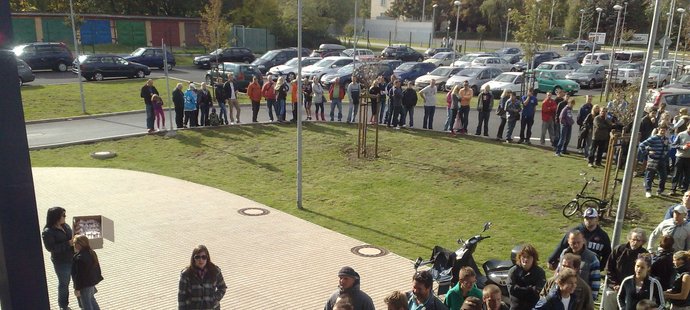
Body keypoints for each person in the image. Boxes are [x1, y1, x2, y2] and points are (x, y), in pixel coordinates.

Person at [547, 207, 612, 271]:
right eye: (586, 218)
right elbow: (562, 246)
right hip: (572, 266)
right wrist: (551, 259)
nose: (588, 220)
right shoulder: (575, 232)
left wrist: (600, 267)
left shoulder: (603, 236)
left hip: (590, 267)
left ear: (597, 219)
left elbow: (607, 254)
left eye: (591, 218)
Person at [602, 228, 649, 310]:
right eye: (633, 239)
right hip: (614, 287)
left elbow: (644, 274)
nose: (635, 242)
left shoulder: (644, 254)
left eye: (638, 240)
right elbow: (609, 268)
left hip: (631, 290)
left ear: (643, 242)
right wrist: (615, 284)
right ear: (629, 239)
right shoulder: (619, 249)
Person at [554, 229, 601, 301]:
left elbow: (595, 283)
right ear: (568, 241)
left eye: (578, 242)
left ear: (583, 241)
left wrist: (590, 300)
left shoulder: (592, 259)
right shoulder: (564, 253)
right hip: (561, 296)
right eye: (573, 242)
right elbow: (558, 273)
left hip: (580, 299)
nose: (576, 245)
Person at [42, 207, 74, 310]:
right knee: (64, 284)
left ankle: (83, 302)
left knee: (80, 280)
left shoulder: (66, 226)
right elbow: (51, 248)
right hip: (62, 262)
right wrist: (68, 243)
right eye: (63, 215)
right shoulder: (48, 232)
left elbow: (72, 236)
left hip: (74, 258)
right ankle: (63, 306)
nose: (65, 217)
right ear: (56, 217)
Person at [178, 245, 227, 309]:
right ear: (193, 259)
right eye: (197, 257)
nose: (201, 260)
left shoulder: (215, 271)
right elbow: (181, 296)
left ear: (207, 258)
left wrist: (214, 298)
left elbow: (222, 287)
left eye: (204, 257)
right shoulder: (186, 274)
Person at [507, 244, 546, 310]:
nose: (525, 259)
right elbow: (512, 289)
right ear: (519, 257)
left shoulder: (540, 272)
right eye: (523, 256)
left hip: (533, 307)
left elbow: (539, 290)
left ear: (534, 259)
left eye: (528, 257)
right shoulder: (513, 271)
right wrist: (531, 289)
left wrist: (520, 289)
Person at [71, 235, 103, 310]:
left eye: (74, 243)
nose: (74, 245)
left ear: (79, 245)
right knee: (92, 300)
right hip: (91, 282)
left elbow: (78, 275)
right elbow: (97, 268)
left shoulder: (79, 258)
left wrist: (77, 288)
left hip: (84, 285)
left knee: (86, 304)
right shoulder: (91, 253)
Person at [639, 123, 671, 197]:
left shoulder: (666, 139)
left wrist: (667, 145)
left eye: (664, 130)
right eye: (661, 130)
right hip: (653, 159)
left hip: (662, 159)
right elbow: (642, 145)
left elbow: (668, 149)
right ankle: (648, 190)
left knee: (663, 176)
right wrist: (647, 152)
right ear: (658, 130)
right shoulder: (653, 138)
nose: (663, 132)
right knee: (650, 175)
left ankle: (660, 190)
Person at [673, 125, 690, 195]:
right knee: (676, 173)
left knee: (687, 175)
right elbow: (674, 145)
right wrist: (682, 147)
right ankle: (673, 189)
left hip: (689, 158)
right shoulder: (681, 134)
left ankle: (684, 190)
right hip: (680, 156)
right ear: (687, 126)